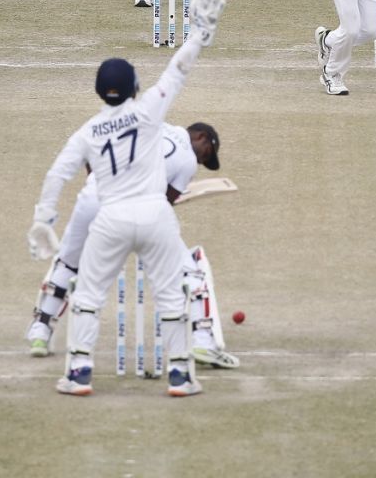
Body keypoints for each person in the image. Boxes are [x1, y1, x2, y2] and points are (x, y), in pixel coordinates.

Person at [27, 0, 226, 398]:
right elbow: (178, 69)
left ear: (101, 92)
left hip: (109, 217)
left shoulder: (87, 131)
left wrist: (44, 222)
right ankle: (180, 376)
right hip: (155, 216)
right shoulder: (149, 109)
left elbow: (57, 174)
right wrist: (199, 34)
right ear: (135, 86)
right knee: (171, 295)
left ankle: (79, 371)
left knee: (88, 295)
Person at [26, 121, 240, 370]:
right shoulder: (187, 160)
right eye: (207, 153)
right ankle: (203, 341)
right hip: (143, 213)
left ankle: (40, 332)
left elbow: (92, 152)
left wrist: (98, 183)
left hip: (95, 198)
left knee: (68, 262)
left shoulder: (146, 122)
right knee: (190, 268)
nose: (202, 161)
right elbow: (166, 201)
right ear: (201, 136)